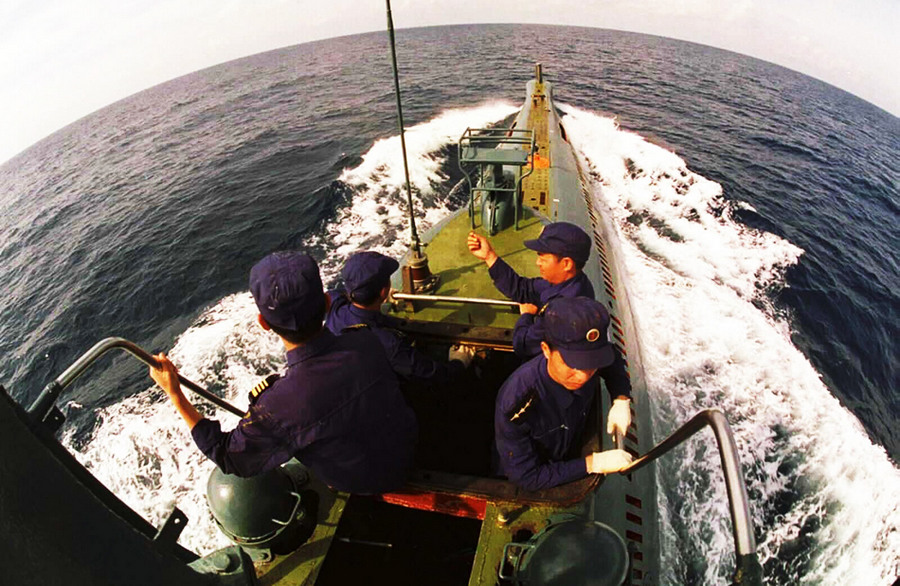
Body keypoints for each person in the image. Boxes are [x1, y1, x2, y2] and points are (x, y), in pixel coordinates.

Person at [149, 251, 418, 494]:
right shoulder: (365, 340)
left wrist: (176, 395)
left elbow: (229, 457)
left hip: (370, 482)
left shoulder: (279, 407)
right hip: (409, 448)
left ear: (263, 323)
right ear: (327, 302)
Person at [494, 296, 634, 492]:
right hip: (535, 467)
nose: (583, 376)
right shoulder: (517, 401)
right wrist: (592, 463)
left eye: (592, 363)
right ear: (546, 350)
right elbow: (527, 477)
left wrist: (621, 398)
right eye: (573, 365)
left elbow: (613, 359)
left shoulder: (589, 359)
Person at [325, 251, 474, 382]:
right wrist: (459, 362)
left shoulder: (335, 306)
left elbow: (338, 293)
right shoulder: (389, 344)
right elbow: (430, 374)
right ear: (383, 292)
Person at [467, 222, 595, 359]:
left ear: (566, 264)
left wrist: (526, 316)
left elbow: (524, 345)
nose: (537, 262)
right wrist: (489, 256)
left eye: (542, 258)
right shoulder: (568, 281)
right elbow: (521, 288)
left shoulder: (564, 313)